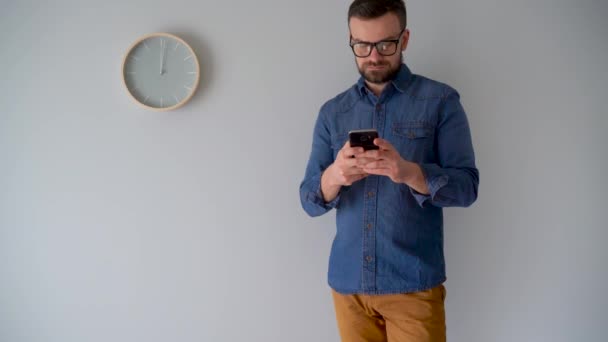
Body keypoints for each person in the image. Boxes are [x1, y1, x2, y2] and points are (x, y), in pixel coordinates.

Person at [299, 0, 479, 341]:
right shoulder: (332, 112)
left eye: (385, 44)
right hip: (348, 286)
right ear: (351, 40)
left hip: (413, 285)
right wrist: (335, 175)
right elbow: (308, 200)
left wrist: (410, 172)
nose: (373, 56)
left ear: (405, 39)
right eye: (362, 45)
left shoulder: (441, 101)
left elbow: (467, 187)